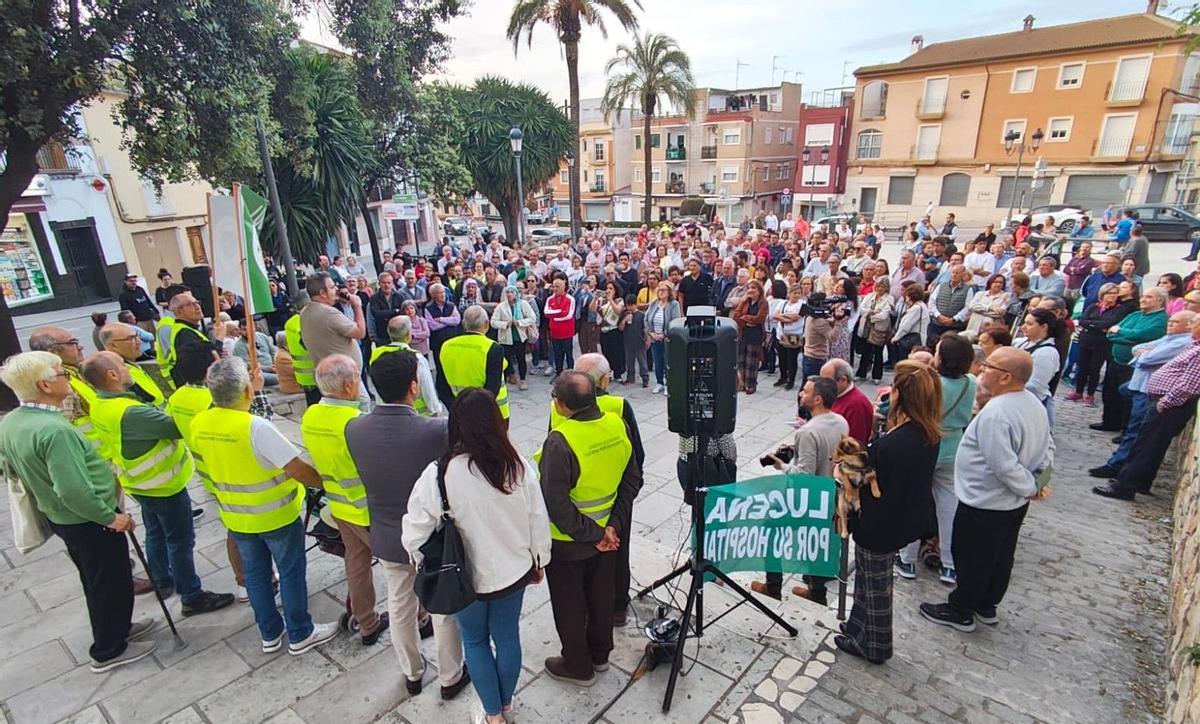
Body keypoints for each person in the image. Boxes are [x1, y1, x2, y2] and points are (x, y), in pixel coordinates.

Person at [0, 351, 160, 672]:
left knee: (98, 577)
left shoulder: (14, 421)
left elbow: (9, 467)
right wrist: (110, 516)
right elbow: (73, 490)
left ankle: (118, 627)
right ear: (45, 385)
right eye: (62, 374)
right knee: (107, 580)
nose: (69, 378)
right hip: (89, 520)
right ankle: (108, 649)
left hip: (64, 518)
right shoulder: (54, 431)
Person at [403, 389, 549, 723]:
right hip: (514, 573)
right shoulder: (518, 467)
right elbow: (538, 518)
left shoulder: (438, 474)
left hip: (464, 578)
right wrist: (540, 560)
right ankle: (508, 704)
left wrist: (418, 560)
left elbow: (415, 529)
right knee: (508, 637)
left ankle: (493, 715)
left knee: (476, 641)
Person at [188, 357, 340, 655]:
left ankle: (269, 632)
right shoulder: (255, 427)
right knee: (291, 570)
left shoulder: (200, 422)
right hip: (275, 513)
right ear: (246, 391)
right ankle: (300, 632)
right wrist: (327, 484)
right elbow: (296, 468)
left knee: (256, 574)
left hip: (235, 514)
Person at [348, 350, 469, 699]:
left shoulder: (354, 428)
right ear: (414, 387)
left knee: (399, 605)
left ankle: (412, 673)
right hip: (433, 538)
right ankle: (450, 675)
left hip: (387, 535)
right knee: (443, 607)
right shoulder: (436, 429)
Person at [81, 352, 233, 614]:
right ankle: (192, 596)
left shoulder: (104, 403)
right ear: (112, 375)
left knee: (155, 531)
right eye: (122, 365)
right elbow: (176, 427)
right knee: (180, 540)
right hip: (163, 485)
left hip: (140, 482)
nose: (129, 369)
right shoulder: (131, 412)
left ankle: (162, 580)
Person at [920, 347, 1053, 633]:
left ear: (1005, 377)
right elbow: (1046, 447)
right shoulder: (1032, 404)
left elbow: (1003, 464)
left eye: (989, 366)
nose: (982, 370)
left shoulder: (998, 413)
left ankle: (962, 609)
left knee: (973, 556)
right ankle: (986, 603)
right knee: (1000, 553)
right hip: (1012, 501)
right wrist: (1036, 482)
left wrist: (1030, 487)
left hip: (986, 500)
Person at [537, 371, 641, 685]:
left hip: (569, 542)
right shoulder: (616, 424)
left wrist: (596, 534)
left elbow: (556, 504)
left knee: (570, 604)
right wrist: (612, 527)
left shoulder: (560, 440)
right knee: (600, 596)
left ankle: (577, 665)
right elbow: (632, 479)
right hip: (609, 537)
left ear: (562, 404)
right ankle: (600, 654)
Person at [835, 361, 941, 664]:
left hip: (881, 522)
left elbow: (857, 475)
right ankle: (858, 627)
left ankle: (877, 644)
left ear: (900, 395)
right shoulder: (926, 430)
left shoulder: (897, 442)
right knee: (868, 580)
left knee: (877, 585)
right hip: (902, 516)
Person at [301, 355, 390, 645]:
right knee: (401, 565)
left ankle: (366, 622)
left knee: (357, 563)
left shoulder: (311, 415)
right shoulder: (355, 423)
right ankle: (420, 618)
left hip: (338, 506)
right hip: (368, 510)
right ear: (350, 384)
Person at [751, 377, 849, 602]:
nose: (800, 395)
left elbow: (804, 475)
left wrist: (782, 465)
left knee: (771, 531)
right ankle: (817, 592)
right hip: (830, 495)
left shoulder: (807, 432)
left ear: (817, 399)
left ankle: (773, 585)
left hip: (807, 499)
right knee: (817, 540)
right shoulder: (841, 422)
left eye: (805, 391)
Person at [571, 353, 645, 626]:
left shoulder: (559, 405)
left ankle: (589, 606)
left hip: (578, 501)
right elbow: (637, 454)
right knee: (617, 552)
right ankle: (616, 607)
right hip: (615, 499)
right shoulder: (619, 405)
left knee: (584, 556)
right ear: (604, 379)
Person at [1093, 313, 1200, 500]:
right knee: (1150, 444)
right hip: (1163, 401)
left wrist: (1165, 402)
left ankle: (1125, 486)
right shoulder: (1193, 346)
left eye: (1194, 323)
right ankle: (1139, 482)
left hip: (1168, 405)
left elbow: (1187, 386)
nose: (1191, 326)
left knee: (1146, 446)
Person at [896, 334, 976, 584]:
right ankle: (949, 564)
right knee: (948, 507)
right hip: (953, 445)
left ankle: (907, 558)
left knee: (913, 502)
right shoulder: (970, 382)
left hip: (926, 443)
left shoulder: (931, 382)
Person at [1095, 287, 1168, 432]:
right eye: (1143, 297)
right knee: (1110, 393)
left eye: (1148, 297)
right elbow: (1111, 333)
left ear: (1159, 300)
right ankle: (1109, 421)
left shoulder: (1161, 320)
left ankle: (1125, 428)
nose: (1142, 299)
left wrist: (1121, 333)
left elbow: (1142, 335)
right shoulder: (1135, 315)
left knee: (1127, 398)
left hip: (1133, 366)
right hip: (1116, 360)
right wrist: (1125, 336)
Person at [299, 272, 367, 407]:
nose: (336, 289)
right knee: (362, 405)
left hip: (328, 376)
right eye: (331, 287)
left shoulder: (305, 312)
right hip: (345, 376)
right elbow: (360, 332)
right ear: (322, 293)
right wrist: (357, 306)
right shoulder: (329, 313)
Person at [1068, 283, 1135, 406]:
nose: (1113, 296)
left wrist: (1093, 325)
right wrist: (1096, 325)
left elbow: (1111, 323)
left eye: (1115, 293)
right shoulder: (1093, 306)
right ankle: (1078, 391)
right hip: (1086, 340)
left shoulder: (1119, 309)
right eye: (1110, 293)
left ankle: (1090, 394)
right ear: (1103, 294)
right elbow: (1083, 320)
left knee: (1095, 368)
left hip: (1102, 343)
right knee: (1082, 366)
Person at [439, 305, 509, 421]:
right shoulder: (493, 348)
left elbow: (441, 386)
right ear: (486, 324)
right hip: (493, 413)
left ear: (463, 324)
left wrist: (456, 409)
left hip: (460, 412)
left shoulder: (446, 346)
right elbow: (493, 388)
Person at [371, 315, 443, 416]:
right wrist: (435, 409)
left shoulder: (376, 354)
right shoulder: (416, 358)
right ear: (408, 334)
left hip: (388, 413)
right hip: (417, 415)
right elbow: (427, 389)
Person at [1013, 308, 1062, 429]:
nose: (1024, 327)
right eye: (1025, 323)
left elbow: (1035, 386)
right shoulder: (1021, 342)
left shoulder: (1047, 353)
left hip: (1030, 404)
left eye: (1029, 324)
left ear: (1044, 327)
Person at [98, 324, 168, 406]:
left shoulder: (129, 365)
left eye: (137, 336)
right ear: (113, 345)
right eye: (131, 338)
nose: (139, 341)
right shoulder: (120, 373)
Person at [163, 292, 221, 388]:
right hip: (199, 387)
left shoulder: (188, 329)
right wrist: (219, 340)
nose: (197, 306)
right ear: (179, 311)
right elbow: (205, 362)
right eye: (190, 304)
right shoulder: (185, 333)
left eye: (197, 302)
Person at [821, 358, 875, 444]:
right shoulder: (837, 395)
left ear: (843, 380)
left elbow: (855, 443)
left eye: (827, 382)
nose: (823, 386)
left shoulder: (856, 405)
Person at [731, 280, 768, 394]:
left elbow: (759, 318)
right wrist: (746, 320)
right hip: (743, 333)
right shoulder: (745, 301)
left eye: (754, 288)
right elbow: (736, 315)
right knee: (741, 360)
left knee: (751, 362)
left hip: (755, 335)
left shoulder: (763, 303)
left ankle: (751, 385)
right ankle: (742, 383)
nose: (751, 290)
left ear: (759, 291)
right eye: (749, 288)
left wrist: (745, 317)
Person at [645, 281, 680, 394]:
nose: (661, 292)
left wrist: (664, 334)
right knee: (658, 362)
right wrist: (651, 333)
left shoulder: (674, 304)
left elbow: (675, 321)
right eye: (659, 290)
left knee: (667, 362)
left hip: (667, 339)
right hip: (655, 338)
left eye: (663, 290)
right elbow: (646, 319)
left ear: (669, 291)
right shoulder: (654, 303)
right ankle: (659, 382)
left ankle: (668, 384)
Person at [543, 278, 576, 377]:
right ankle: (558, 374)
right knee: (557, 354)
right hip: (554, 332)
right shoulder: (550, 299)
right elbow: (546, 313)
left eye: (557, 286)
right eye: (554, 286)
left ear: (564, 287)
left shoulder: (570, 299)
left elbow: (568, 315)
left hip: (567, 332)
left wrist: (555, 315)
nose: (555, 289)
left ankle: (571, 374)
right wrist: (560, 312)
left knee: (569, 354)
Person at [892, 284, 928, 361]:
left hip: (911, 340)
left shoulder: (916, 308)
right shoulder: (923, 306)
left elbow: (906, 326)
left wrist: (896, 337)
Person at [369, 272, 407, 346]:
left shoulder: (399, 296)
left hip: (398, 333)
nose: (386, 285)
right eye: (384, 283)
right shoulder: (374, 298)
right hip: (383, 335)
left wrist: (386, 314)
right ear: (379, 283)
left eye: (389, 283)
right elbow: (376, 314)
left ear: (392, 284)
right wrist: (394, 311)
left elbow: (403, 312)